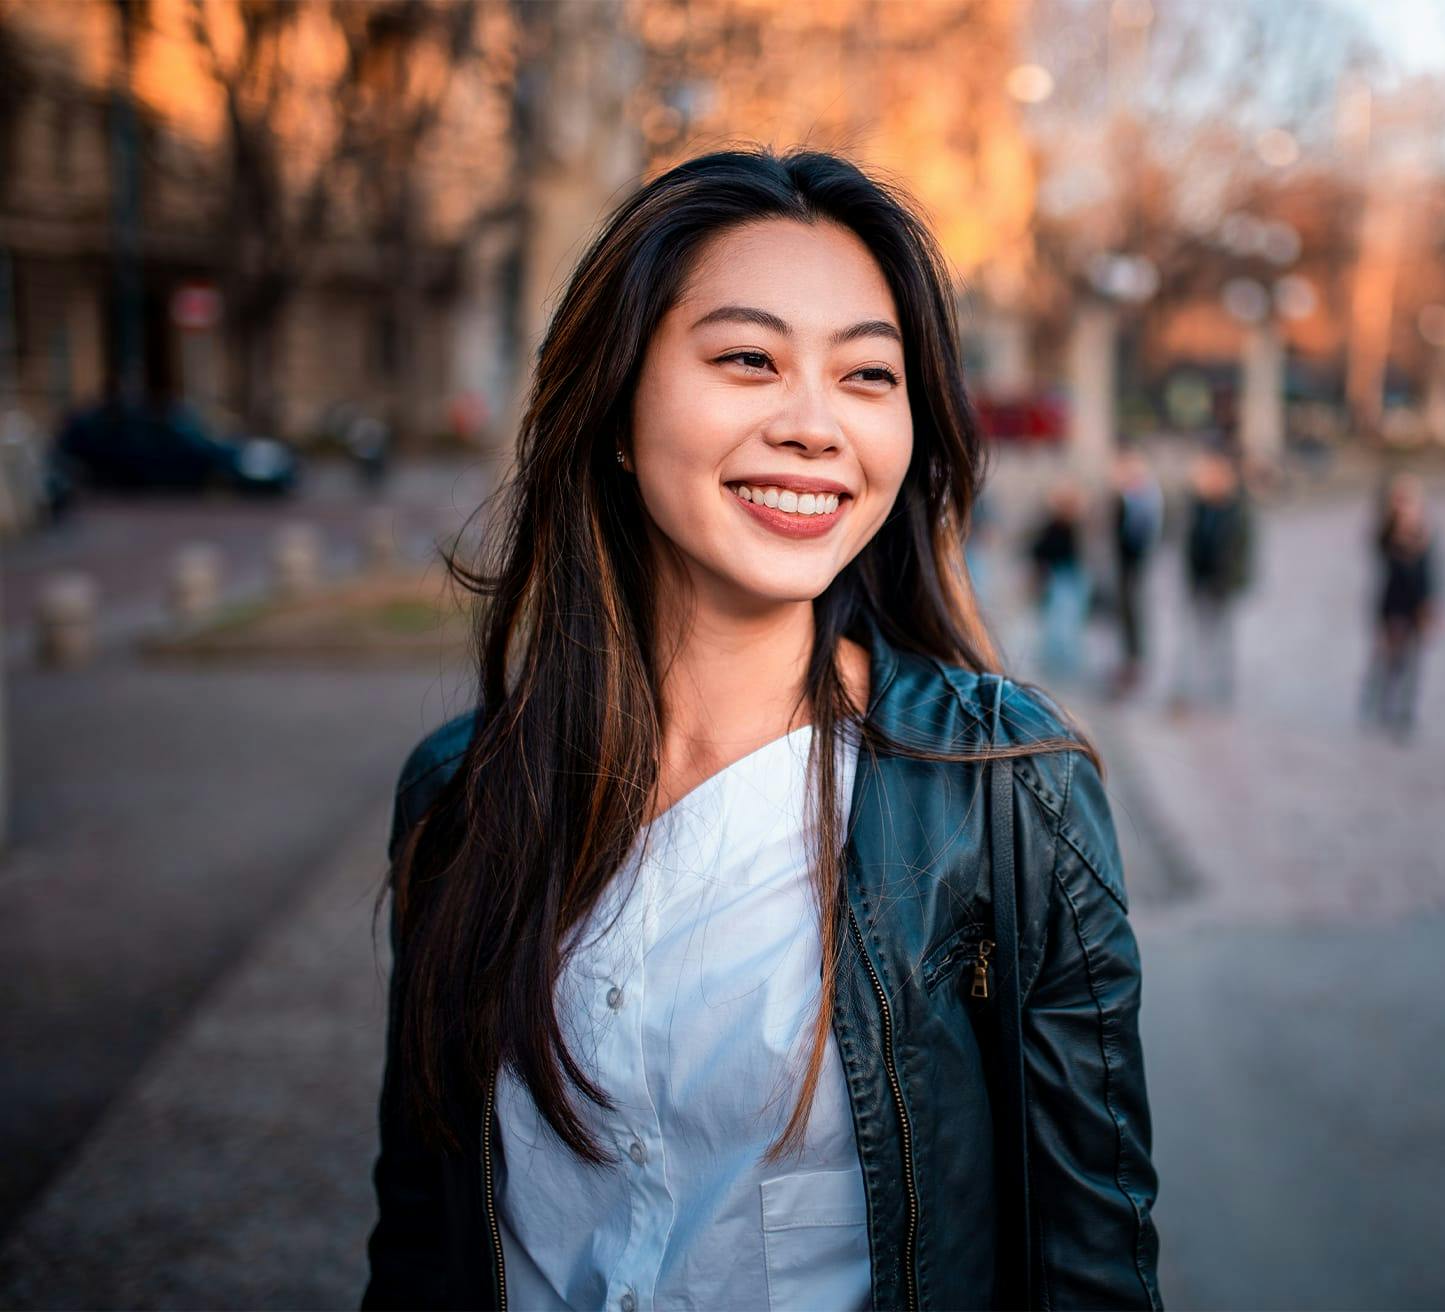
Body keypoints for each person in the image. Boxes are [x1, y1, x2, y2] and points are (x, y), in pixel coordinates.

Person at [363, 149, 1160, 1312]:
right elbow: (421, 1244)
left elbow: (1092, 1269)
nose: (813, 425)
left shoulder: (1004, 791)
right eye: (748, 359)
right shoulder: (460, 797)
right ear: (618, 409)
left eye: (867, 376)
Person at [1360, 473, 1443, 739]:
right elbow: (1385, 557)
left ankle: (1406, 713)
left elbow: (1432, 573)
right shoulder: (1386, 532)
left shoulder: (1426, 533)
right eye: (1400, 499)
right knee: (1386, 659)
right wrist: (1402, 536)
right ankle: (1378, 705)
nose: (1404, 505)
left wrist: (1432, 607)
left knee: (1413, 663)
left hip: (1416, 606)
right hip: (1391, 606)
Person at [1173, 447, 1252, 709]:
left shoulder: (1235, 509)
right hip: (1198, 582)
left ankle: (1221, 689)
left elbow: (1242, 551)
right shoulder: (1197, 507)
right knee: (1192, 638)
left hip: (1222, 585)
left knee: (1221, 638)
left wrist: (1233, 581)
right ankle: (1189, 690)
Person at [1109, 448, 1164, 697]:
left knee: (1134, 612)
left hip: (1134, 565)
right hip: (1121, 566)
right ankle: (1127, 658)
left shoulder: (1144, 496)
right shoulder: (1122, 495)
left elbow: (1142, 533)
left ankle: (1135, 659)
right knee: (1123, 614)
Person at [1027, 480, 1090, 683]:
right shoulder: (1058, 526)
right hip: (1061, 578)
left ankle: (1063, 663)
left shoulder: (1072, 527)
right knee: (1058, 623)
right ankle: (1057, 662)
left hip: (1066, 579)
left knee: (1063, 623)